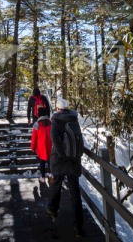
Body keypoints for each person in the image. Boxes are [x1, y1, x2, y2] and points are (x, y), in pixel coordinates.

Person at [47, 98, 85, 238]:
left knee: (56, 184)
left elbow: (55, 140)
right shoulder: (74, 119)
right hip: (74, 160)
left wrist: (62, 156)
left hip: (60, 160)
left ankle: (53, 209)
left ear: (57, 108)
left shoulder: (56, 120)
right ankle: (78, 227)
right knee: (75, 192)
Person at [30, 107, 52, 183]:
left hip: (41, 147)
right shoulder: (51, 122)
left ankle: (42, 177)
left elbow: (34, 138)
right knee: (50, 161)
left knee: (42, 162)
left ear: (38, 114)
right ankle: (51, 175)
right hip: (50, 146)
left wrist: (33, 147)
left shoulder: (36, 124)